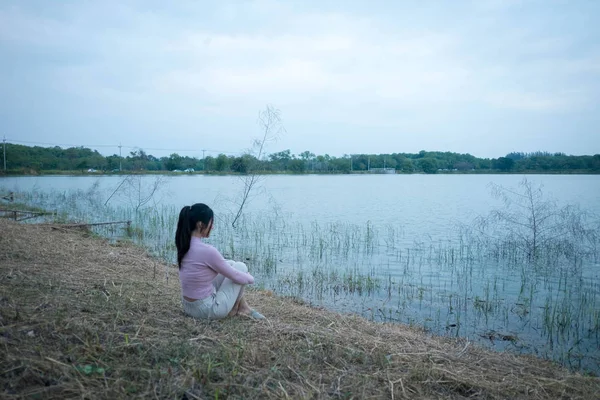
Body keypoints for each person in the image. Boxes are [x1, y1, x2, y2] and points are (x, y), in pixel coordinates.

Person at [175, 203, 265, 320]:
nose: (212, 227)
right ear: (200, 224)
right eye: (210, 223)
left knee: (232, 264)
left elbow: (221, 265)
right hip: (207, 310)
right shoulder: (207, 251)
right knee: (241, 267)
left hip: (188, 307)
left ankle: (242, 306)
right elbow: (237, 276)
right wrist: (250, 278)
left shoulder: (184, 245)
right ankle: (237, 309)